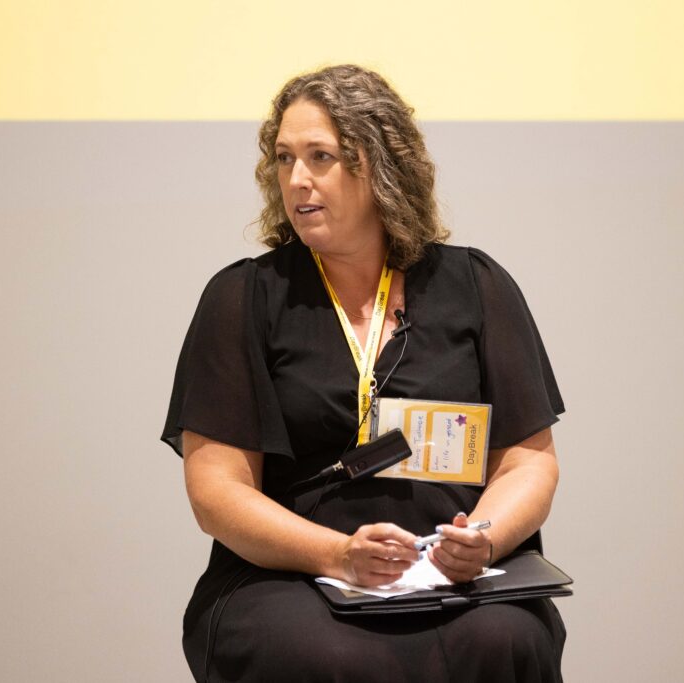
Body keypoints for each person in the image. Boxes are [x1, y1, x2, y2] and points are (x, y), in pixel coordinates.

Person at [162, 64, 566, 683]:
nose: (297, 179)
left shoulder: (477, 286)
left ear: (381, 167)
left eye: (320, 157)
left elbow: (527, 462)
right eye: (284, 159)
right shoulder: (243, 297)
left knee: (503, 639)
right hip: (292, 575)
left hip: (450, 574)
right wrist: (337, 555)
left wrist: (482, 539)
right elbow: (217, 492)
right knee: (336, 658)